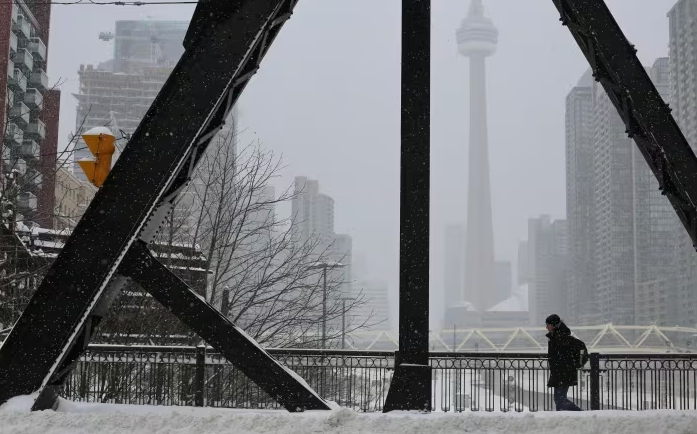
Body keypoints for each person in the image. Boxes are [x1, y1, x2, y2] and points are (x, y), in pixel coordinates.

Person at [545, 314, 588, 411]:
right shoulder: (557, 336)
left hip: (563, 373)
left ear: (554, 325)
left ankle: (574, 414)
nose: (546, 327)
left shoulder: (561, 337)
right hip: (561, 372)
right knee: (559, 398)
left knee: (559, 399)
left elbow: (580, 346)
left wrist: (577, 363)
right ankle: (577, 414)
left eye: (548, 324)